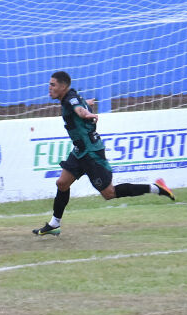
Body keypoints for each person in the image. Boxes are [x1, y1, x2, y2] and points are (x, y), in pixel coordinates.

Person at [33, 71, 175, 236]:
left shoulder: (71, 99)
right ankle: (54, 224)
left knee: (109, 193)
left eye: (53, 85)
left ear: (63, 86)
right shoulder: (69, 98)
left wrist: (86, 112)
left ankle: (156, 188)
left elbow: (79, 110)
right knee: (62, 183)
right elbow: (79, 106)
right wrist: (87, 105)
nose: (49, 88)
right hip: (80, 151)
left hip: (91, 153)